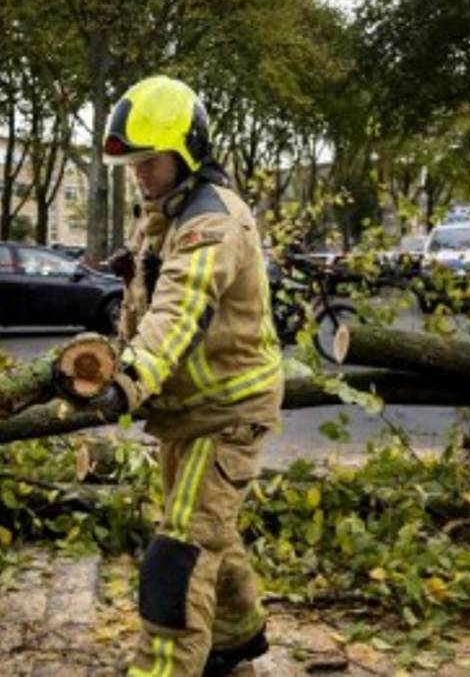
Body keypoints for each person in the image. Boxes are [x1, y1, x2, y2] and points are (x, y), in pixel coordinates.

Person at [96, 75, 281, 677]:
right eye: (134, 165)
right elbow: (143, 311)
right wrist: (113, 360)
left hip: (228, 414)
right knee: (210, 535)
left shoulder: (211, 224)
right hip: (186, 411)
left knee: (177, 554)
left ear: (186, 152)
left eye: (150, 162)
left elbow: (178, 312)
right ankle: (234, 641)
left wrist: (127, 381)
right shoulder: (160, 220)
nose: (140, 175)